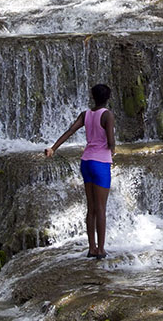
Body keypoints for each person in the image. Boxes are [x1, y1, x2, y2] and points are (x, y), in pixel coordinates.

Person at [44, 83, 116, 259]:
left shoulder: (86, 115)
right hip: (101, 163)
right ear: (107, 98)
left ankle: (91, 248)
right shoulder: (107, 115)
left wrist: (53, 148)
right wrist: (113, 150)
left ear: (93, 97)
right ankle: (101, 250)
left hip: (86, 161)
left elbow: (70, 131)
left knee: (90, 208)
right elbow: (111, 141)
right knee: (101, 209)